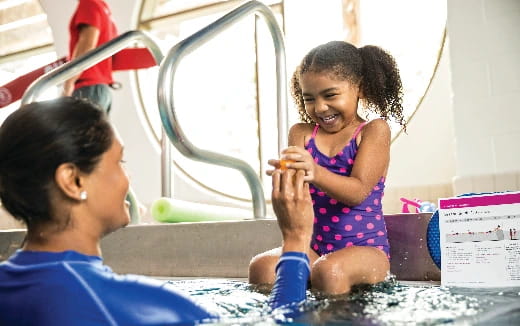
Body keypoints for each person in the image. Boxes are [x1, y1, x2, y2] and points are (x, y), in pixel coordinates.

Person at [0, 97, 313, 325]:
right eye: (118, 162)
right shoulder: (135, 305)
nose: (127, 177)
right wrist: (296, 239)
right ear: (73, 179)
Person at [249, 40, 407, 295]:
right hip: (314, 248)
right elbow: (296, 194)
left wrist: (316, 171)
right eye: (309, 98)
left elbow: (358, 192)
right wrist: (285, 178)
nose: (319, 107)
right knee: (263, 267)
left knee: (328, 270)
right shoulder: (301, 133)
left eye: (330, 95)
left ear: (361, 89)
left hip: (366, 251)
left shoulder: (373, 131)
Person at [63, 0, 117, 113]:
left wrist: (68, 83)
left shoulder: (89, 3)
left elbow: (86, 45)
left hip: (87, 89)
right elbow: (115, 57)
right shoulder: (103, 8)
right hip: (101, 90)